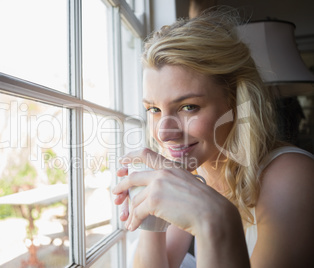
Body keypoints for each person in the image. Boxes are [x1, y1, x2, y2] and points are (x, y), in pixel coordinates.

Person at [112, 7, 314, 268]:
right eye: (154, 109)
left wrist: (215, 220)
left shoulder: (293, 176)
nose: (163, 132)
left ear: (236, 103)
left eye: (188, 107)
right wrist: (149, 215)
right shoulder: (197, 174)